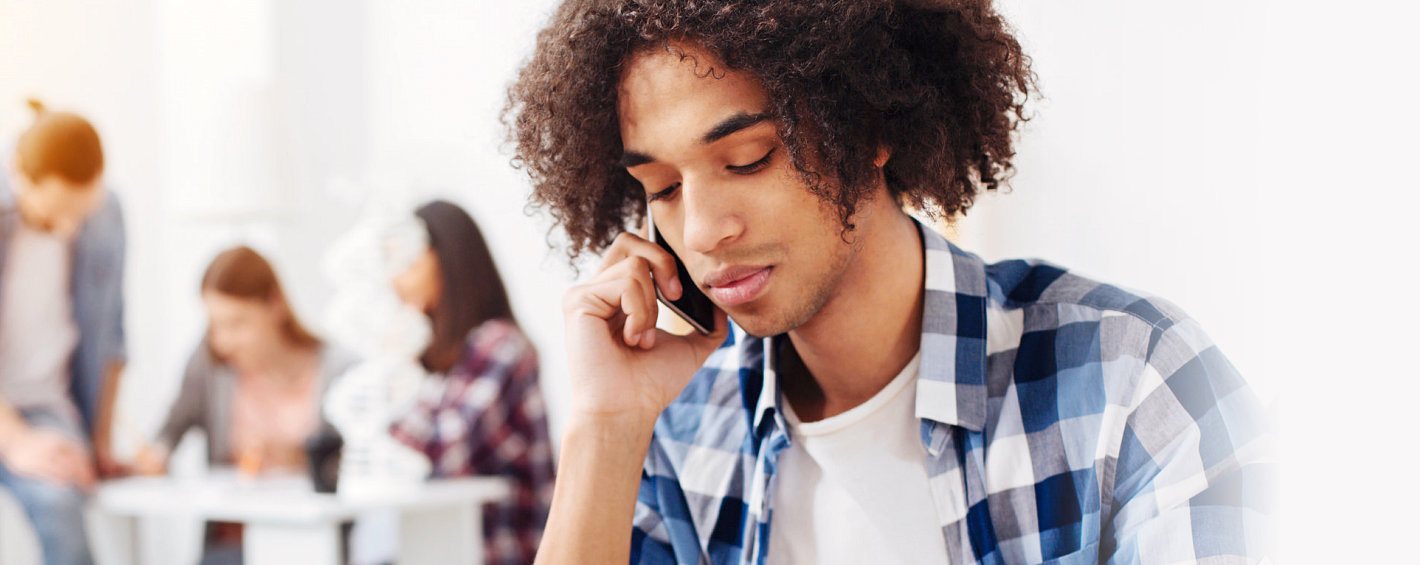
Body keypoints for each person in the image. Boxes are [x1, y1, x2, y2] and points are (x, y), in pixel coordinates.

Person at [503, 1, 1273, 564]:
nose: (702, 231)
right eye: (663, 188)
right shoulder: (681, 437)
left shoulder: (1132, 384)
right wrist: (605, 427)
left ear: (866, 126)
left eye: (748, 160)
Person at [132, 245, 356, 564]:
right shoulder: (210, 365)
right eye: (215, 325)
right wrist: (157, 455)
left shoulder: (339, 370)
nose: (223, 340)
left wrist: (298, 456)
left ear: (275, 305)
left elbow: (363, 466)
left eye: (237, 323)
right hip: (230, 549)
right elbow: (170, 431)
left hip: (312, 545)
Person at [387, 200, 555, 565]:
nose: (394, 279)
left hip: (502, 553)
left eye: (408, 262)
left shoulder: (498, 346)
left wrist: (389, 376)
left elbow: (449, 456)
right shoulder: (441, 363)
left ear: (447, 260)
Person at [0, 100, 126, 565]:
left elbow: (112, 333)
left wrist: (100, 441)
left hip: (49, 409)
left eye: (82, 212)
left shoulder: (108, 213)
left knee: (59, 504)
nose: (71, 228)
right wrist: (14, 440)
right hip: (8, 418)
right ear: (17, 176)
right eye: (56, 214)